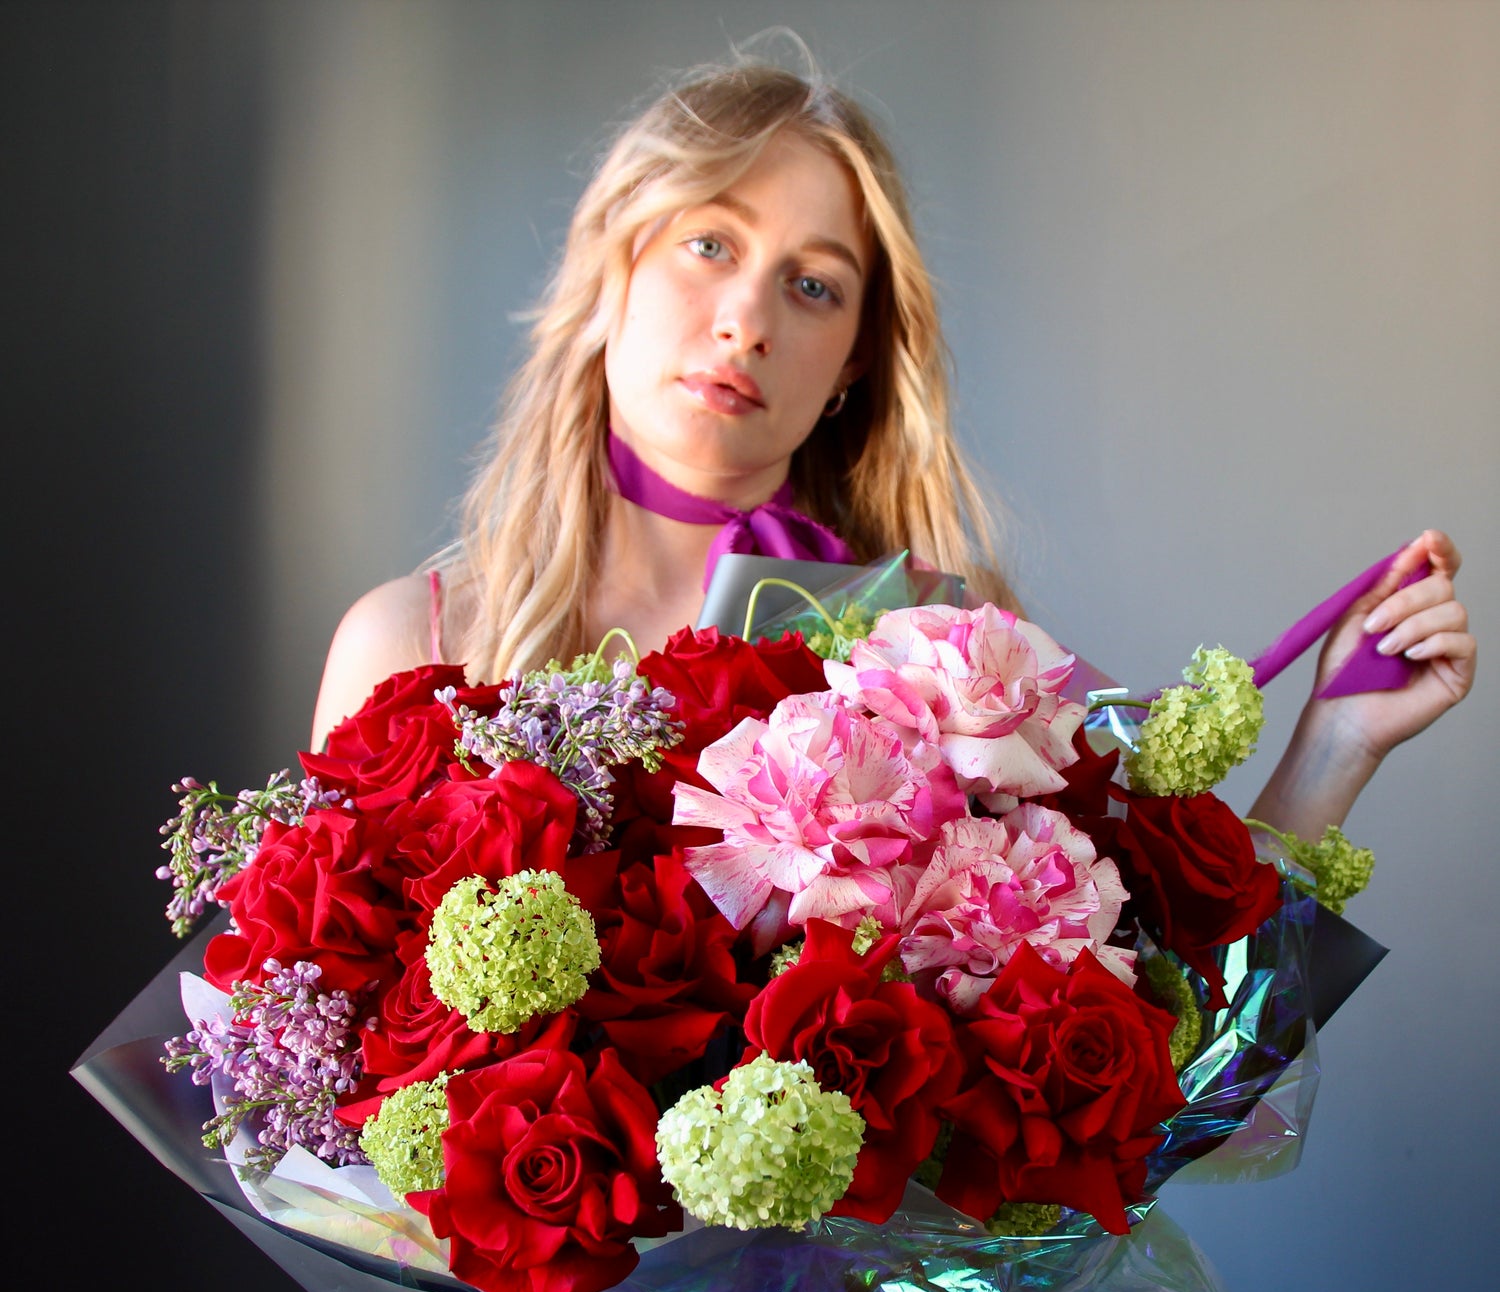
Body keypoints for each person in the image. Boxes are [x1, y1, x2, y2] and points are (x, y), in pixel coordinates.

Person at [312, 52, 1474, 848]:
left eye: (813, 285)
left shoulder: (950, 660)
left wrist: (1336, 749)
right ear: (610, 261)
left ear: (856, 363)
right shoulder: (409, 647)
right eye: (710, 244)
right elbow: (289, 1082)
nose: (747, 320)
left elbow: (1174, 1054)